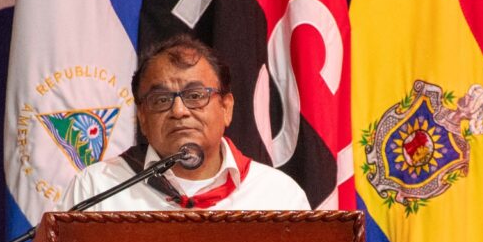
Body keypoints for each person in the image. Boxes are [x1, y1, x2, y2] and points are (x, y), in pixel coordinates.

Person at [61, 33, 310, 212]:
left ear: (226, 107)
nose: (178, 111)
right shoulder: (96, 191)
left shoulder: (278, 197)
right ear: (142, 118)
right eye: (160, 100)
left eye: (195, 96)